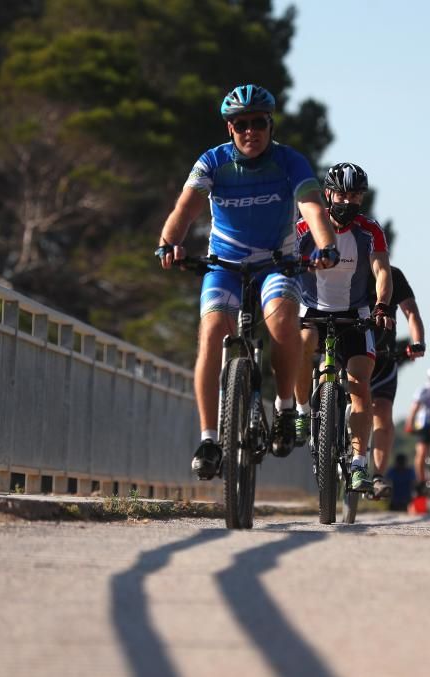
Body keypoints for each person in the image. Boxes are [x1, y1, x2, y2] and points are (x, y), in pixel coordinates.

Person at [156, 84, 338, 480]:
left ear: (270, 125)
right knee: (210, 335)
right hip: (225, 264)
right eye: (241, 125)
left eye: (258, 123)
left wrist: (326, 246)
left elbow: (313, 207)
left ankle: (285, 409)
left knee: (283, 324)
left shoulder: (290, 161)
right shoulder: (212, 162)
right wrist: (169, 242)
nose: (250, 131)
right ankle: (209, 439)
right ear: (230, 129)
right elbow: (184, 209)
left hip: (277, 263)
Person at [293, 162, 394, 493]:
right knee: (302, 344)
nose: (348, 202)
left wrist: (381, 305)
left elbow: (381, 271)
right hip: (313, 310)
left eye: (355, 195)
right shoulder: (306, 228)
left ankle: (358, 463)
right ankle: (302, 410)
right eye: (342, 194)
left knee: (360, 385)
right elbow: (286, 264)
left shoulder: (370, 230)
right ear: (327, 194)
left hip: (355, 313)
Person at [368, 265, 426, 499]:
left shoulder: (394, 275)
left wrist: (418, 341)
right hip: (348, 353)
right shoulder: (345, 268)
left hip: (383, 358)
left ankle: (377, 477)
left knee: (382, 412)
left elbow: (410, 311)